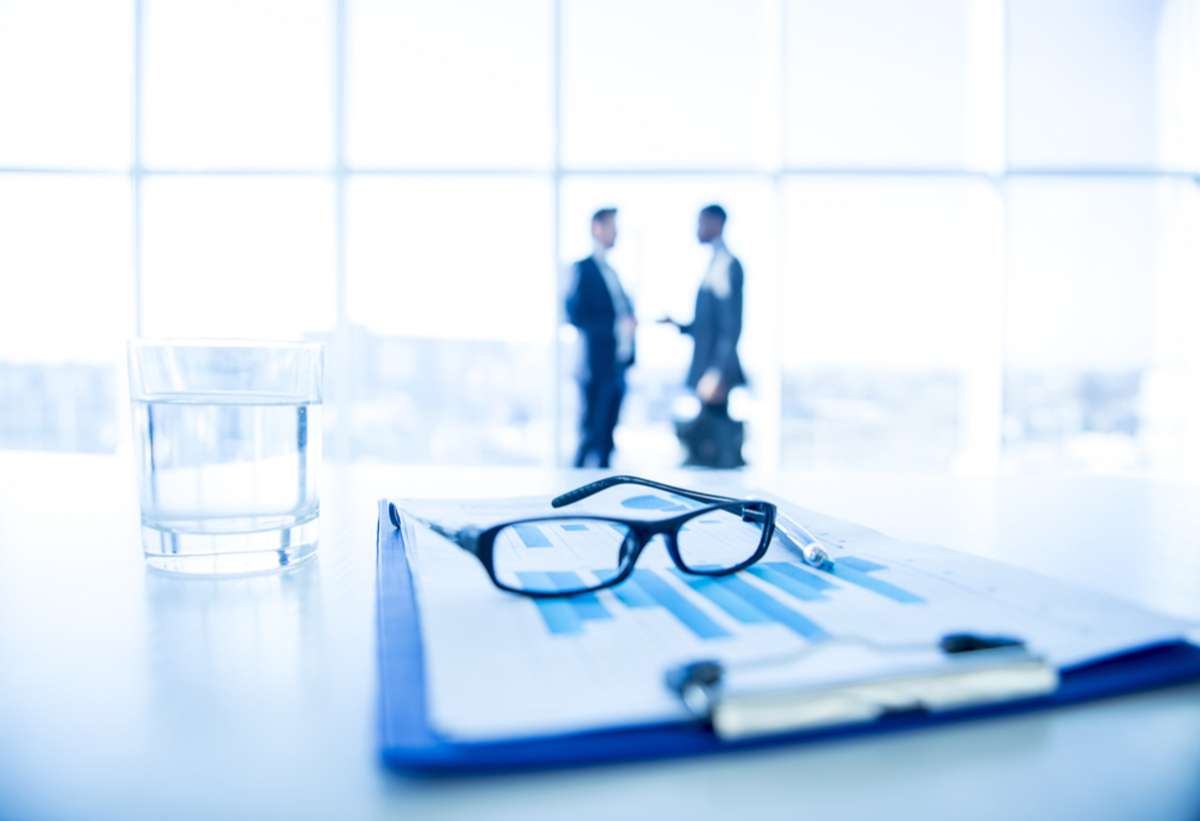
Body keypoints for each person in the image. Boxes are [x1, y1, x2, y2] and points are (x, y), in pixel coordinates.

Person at [660, 203, 746, 467]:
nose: (697, 229)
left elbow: (731, 324)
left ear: (716, 223)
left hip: (715, 367)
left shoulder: (728, 265)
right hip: (709, 363)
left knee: (716, 441)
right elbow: (709, 324)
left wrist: (718, 371)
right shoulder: (715, 263)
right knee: (711, 436)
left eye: (701, 222)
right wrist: (681, 326)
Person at [565, 207, 636, 468]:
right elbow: (575, 314)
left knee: (606, 441)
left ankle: (602, 501)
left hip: (617, 368)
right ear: (597, 227)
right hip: (594, 368)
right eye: (612, 226)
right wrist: (617, 325)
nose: (617, 233)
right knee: (589, 437)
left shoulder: (613, 272)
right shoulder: (583, 269)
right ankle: (569, 501)